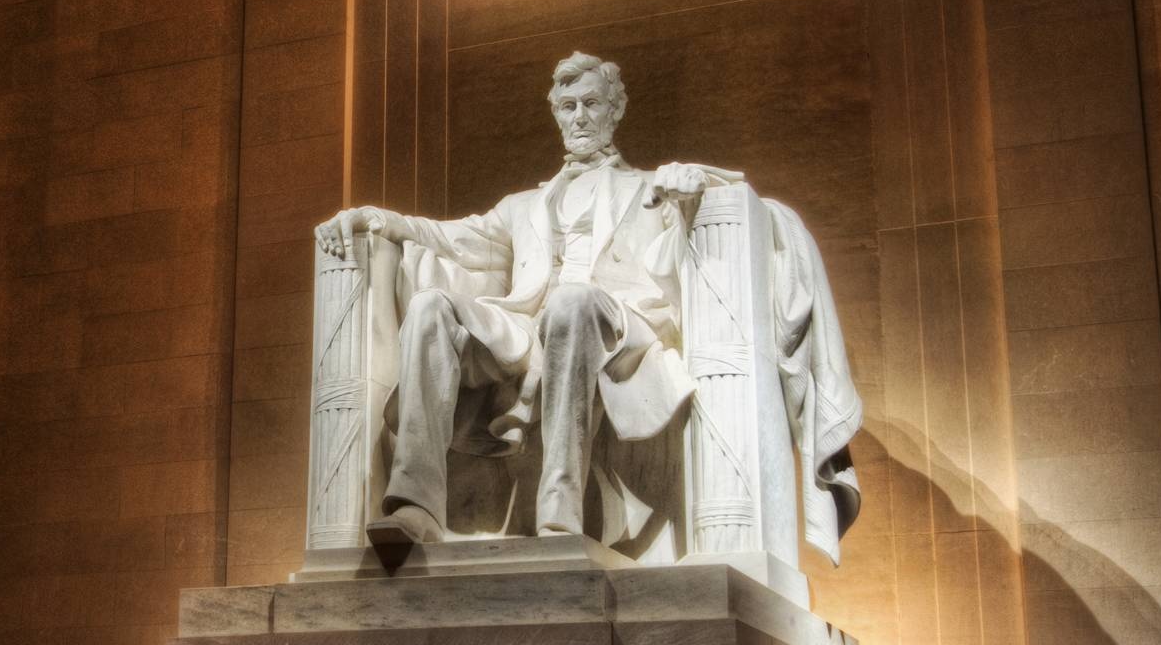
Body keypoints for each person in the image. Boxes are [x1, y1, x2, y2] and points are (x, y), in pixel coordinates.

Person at [315, 51, 859, 559]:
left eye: (592, 104)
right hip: (532, 326)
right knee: (433, 305)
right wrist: (383, 220)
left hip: (619, 329)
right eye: (568, 107)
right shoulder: (523, 205)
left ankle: (561, 508)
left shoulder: (651, 186)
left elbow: (695, 227)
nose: (579, 117)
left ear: (615, 110)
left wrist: (692, 189)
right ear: (556, 115)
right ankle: (416, 506)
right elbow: (458, 236)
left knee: (573, 303)